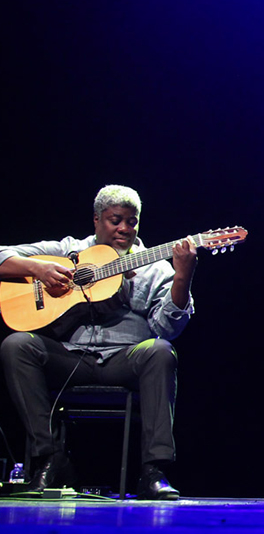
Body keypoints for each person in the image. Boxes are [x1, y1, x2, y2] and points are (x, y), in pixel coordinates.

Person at [0, 184, 197, 499]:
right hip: (69, 358)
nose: (124, 229)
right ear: (96, 220)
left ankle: (153, 471)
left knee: (161, 351)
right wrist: (38, 267)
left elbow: (168, 327)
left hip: (124, 360)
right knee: (16, 345)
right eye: (115, 220)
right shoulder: (69, 250)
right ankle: (51, 458)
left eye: (131, 221)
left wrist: (182, 277)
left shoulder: (153, 267)